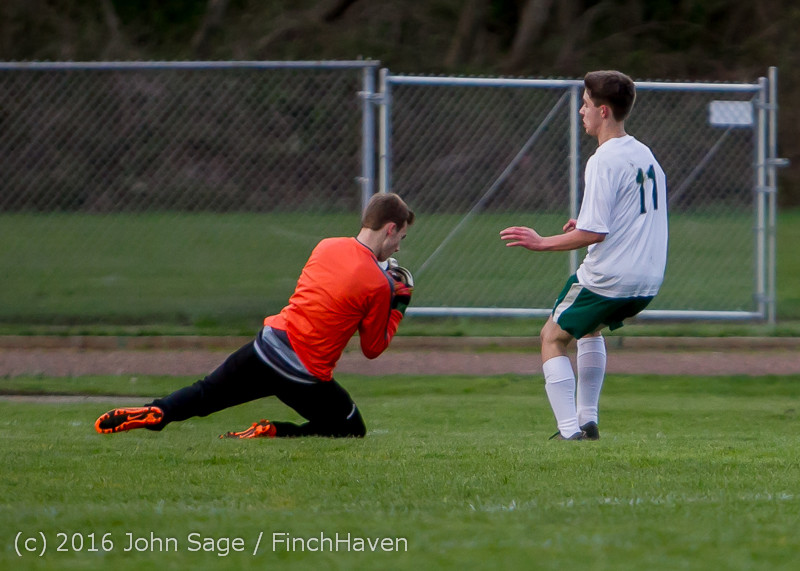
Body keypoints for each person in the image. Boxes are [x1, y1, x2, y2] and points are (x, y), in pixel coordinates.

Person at [95, 192, 415, 439]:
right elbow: (373, 348)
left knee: (205, 393)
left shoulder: (326, 246)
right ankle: (274, 432)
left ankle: (158, 411)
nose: (398, 248)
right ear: (390, 229)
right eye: (400, 238)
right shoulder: (379, 284)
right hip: (303, 375)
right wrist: (398, 304)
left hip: (267, 345)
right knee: (350, 429)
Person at [500, 70, 668, 441]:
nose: (581, 111)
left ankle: (568, 431)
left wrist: (541, 241)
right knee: (588, 327)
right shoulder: (644, 154)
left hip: (611, 277)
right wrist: (589, 224)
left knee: (552, 337)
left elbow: (595, 232)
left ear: (603, 111)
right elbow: (630, 216)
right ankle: (587, 421)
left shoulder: (603, 159)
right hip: (648, 280)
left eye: (586, 104)